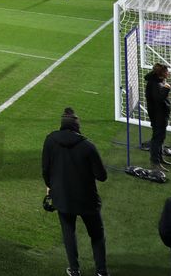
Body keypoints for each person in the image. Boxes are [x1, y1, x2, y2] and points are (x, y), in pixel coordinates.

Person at [42, 106, 109, 276]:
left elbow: (45, 170)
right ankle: (101, 271)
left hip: (62, 197)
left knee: (68, 234)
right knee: (96, 235)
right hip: (87, 199)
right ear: (76, 126)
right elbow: (102, 176)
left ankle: (74, 270)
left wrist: (50, 187)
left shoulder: (50, 140)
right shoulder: (88, 146)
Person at [146, 63, 171, 175]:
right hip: (158, 116)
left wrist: (168, 87)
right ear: (161, 74)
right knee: (157, 139)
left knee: (160, 137)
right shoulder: (155, 84)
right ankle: (155, 162)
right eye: (166, 71)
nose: (168, 73)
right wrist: (167, 88)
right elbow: (158, 99)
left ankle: (159, 158)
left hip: (160, 115)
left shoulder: (157, 81)